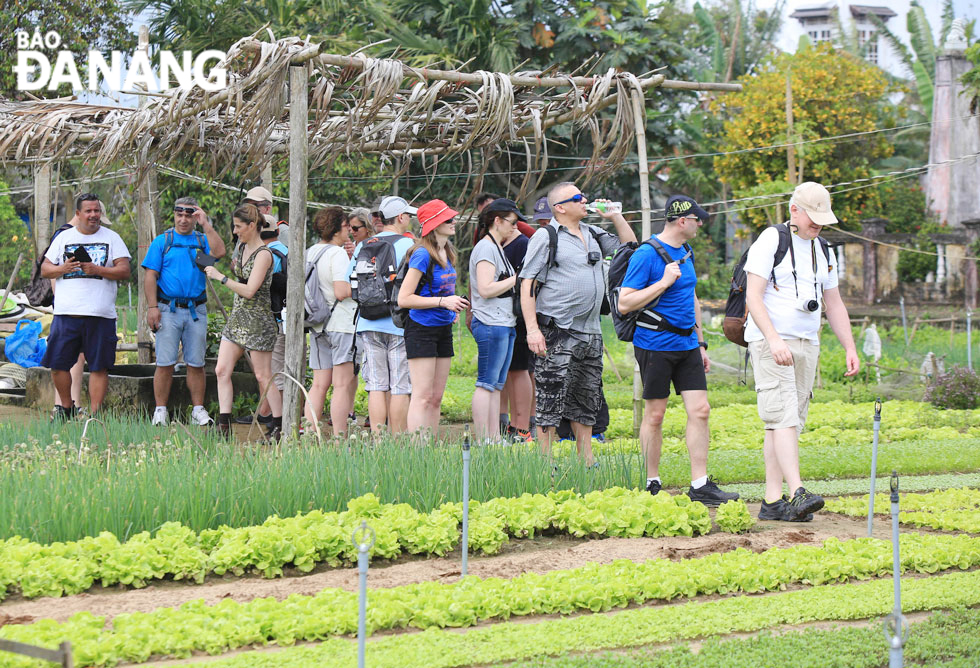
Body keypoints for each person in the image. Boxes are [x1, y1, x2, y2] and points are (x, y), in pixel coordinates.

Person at [744, 182, 859, 521]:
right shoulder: (771, 240)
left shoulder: (823, 248)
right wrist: (775, 339)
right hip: (771, 342)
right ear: (795, 210)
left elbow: (833, 303)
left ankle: (771, 501)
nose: (819, 224)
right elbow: (753, 296)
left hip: (808, 343)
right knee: (783, 417)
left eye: (823, 218)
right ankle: (797, 492)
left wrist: (849, 346)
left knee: (784, 423)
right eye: (814, 217)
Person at [618, 195, 739, 506]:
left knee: (701, 410)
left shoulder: (686, 251)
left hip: (687, 344)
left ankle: (700, 485)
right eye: (696, 219)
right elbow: (625, 302)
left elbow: (692, 297)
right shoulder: (647, 254)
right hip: (655, 344)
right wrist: (663, 282)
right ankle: (651, 481)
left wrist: (700, 343)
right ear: (682, 221)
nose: (700, 224)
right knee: (655, 415)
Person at [519, 183, 636, 466]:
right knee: (550, 397)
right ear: (560, 208)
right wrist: (533, 330)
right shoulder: (546, 237)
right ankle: (545, 463)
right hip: (557, 330)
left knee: (587, 398)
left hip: (591, 331)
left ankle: (587, 460)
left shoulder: (593, 233)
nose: (584, 200)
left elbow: (630, 250)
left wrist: (616, 217)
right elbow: (527, 284)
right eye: (577, 198)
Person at [40, 193, 131, 418]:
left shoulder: (112, 238)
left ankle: (94, 415)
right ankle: (66, 407)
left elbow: (124, 271)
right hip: (66, 314)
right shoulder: (63, 238)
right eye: (88, 211)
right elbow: (45, 269)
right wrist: (64, 268)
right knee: (58, 364)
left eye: (97, 211)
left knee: (99, 366)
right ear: (78, 214)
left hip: (100, 315)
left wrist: (97, 269)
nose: (93, 215)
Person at [143, 196, 227, 426]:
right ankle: (160, 410)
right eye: (179, 215)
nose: (183, 220)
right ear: (174, 215)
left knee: (196, 362)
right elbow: (150, 275)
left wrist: (206, 224)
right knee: (165, 361)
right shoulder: (163, 241)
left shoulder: (201, 240)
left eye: (189, 215)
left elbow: (220, 252)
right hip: (168, 308)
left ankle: (198, 409)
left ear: (195, 216)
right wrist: (152, 307)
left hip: (196, 310)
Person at [204, 205, 282, 440]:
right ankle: (224, 425)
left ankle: (278, 426)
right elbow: (241, 275)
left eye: (239, 226)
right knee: (221, 370)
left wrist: (221, 278)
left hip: (258, 320)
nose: (235, 231)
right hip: (238, 318)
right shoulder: (241, 246)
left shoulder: (265, 254)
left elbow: (249, 290)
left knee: (263, 376)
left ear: (251, 226)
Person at [346, 196, 417, 434]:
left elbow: (351, 280)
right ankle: (396, 441)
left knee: (376, 385)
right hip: (398, 322)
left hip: (367, 321)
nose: (409, 220)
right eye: (407, 215)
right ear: (400, 217)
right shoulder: (408, 245)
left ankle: (378, 441)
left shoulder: (363, 245)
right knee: (399, 386)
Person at [398, 199, 469, 435]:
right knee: (422, 396)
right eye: (448, 219)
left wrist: (450, 308)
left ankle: (430, 448)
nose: (453, 221)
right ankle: (417, 453)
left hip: (443, 327)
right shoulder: (421, 254)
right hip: (421, 329)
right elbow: (404, 298)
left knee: (437, 397)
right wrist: (442, 302)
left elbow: (442, 290)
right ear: (433, 224)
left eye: (452, 217)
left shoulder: (447, 251)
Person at [469, 199, 521, 441]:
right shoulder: (486, 248)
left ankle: (493, 438)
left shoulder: (496, 247)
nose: (515, 227)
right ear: (497, 221)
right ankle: (484, 439)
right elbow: (486, 288)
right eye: (512, 222)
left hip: (503, 322)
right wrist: (518, 279)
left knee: (496, 385)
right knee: (486, 384)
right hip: (491, 322)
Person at [305, 207, 358, 435]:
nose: (349, 230)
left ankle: (309, 434)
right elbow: (341, 291)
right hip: (341, 324)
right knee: (342, 385)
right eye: (347, 226)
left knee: (318, 384)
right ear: (337, 228)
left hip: (317, 323)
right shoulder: (336, 254)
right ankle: (338, 438)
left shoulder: (309, 252)